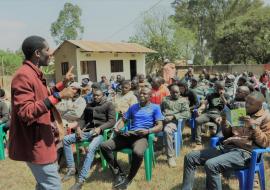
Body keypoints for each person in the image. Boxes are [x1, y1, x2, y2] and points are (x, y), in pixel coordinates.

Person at [8, 35, 77, 190]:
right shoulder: (23, 76)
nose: (51, 52)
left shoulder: (34, 74)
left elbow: (43, 95)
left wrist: (62, 84)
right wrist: (59, 96)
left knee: (44, 185)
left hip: (43, 139)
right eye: (48, 49)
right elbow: (26, 111)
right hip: (35, 143)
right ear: (37, 53)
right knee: (52, 186)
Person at [182, 91, 270, 190]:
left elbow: (265, 142)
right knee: (190, 157)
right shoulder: (241, 112)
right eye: (246, 102)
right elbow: (228, 134)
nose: (246, 105)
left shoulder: (266, 117)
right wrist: (224, 124)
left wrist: (254, 126)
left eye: (251, 104)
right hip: (229, 147)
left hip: (247, 153)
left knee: (211, 165)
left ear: (260, 105)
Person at [100, 87, 163, 189]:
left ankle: (129, 178)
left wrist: (148, 131)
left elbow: (160, 126)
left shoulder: (155, 108)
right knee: (104, 146)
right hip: (128, 135)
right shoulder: (133, 107)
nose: (141, 95)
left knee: (137, 153)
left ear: (150, 96)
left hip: (142, 137)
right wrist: (117, 128)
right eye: (140, 93)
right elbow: (123, 120)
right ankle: (119, 173)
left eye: (144, 94)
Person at [62, 89, 116, 190]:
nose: (95, 97)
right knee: (66, 140)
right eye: (94, 95)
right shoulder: (89, 105)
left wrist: (100, 128)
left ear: (103, 95)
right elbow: (82, 119)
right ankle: (72, 169)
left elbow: (112, 121)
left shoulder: (109, 105)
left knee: (91, 148)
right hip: (88, 132)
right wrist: (78, 128)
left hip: (101, 134)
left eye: (98, 95)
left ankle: (81, 180)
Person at [161, 84, 190, 167]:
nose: (175, 94)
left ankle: (170, 157)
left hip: (174, 122)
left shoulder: (183, 101)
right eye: (173, 92)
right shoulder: (165, 99)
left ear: (179, 93)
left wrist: (173, 116)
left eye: (177, 92)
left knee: (167, 130)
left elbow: (187, 113)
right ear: (170, 92)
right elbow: (161, 109)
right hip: (162, 120)